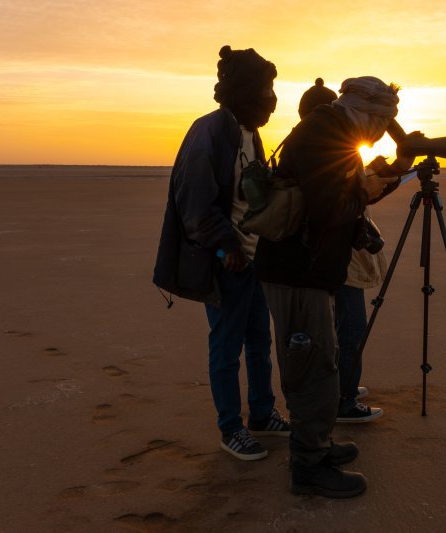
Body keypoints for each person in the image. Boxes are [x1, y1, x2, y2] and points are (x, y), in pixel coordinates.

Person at [254, 76, 410, 498]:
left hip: (309, 273)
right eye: (380, 122)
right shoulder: (325, 134)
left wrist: (386, 176)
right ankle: (308, 467)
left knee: (320, 365)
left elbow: (339, 199)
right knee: (312, 371)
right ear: (364, 112)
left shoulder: (332, 130)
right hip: (297, 274)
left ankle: (316, 447)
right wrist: (364, 191)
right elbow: (328, 211)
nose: (379, 133)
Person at [153, 45, 290, 462]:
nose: (270, 100)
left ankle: (263, 416)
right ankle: (231, 428)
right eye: (265, 89)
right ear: (247, 92)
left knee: (259, 340)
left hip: (252, 259)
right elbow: (194, 200)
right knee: (226, 345)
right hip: (226, 262)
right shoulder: (209, 130)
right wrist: (226, 245)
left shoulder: (249, 131)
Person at [296, 78, 390, 424]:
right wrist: (365, 188)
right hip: (334, 258)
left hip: (332, 257)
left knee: (339, 329)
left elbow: (349, 194)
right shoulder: (325, 144)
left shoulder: (324, 141)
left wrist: (374, 180)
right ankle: (343, 400)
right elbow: (333, 205)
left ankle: (342, 387)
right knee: (348, 329)